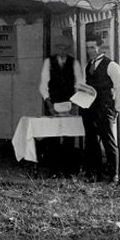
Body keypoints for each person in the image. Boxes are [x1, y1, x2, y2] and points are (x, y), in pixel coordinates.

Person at [81, 34, 120, 183]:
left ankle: (114, 174)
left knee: (109, 142)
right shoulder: (88, 66)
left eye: (92, 47)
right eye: (87, 48)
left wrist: (117, 110)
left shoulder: (111, 65)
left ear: (100, 47)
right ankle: (96, 173)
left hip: (105, 109)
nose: (90, 51)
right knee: (91, 142)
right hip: (90, 109)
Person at [37, 35, 84, 176]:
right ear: (56, 48)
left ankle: (69, 171)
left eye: (65, 48)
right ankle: (54, 170)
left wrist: (76, 104)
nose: (62, 51)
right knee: (53, 137)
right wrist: (49, 103)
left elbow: (79, 84)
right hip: (53, 104)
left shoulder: (74, 63)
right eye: (60, 48)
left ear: (68, 49)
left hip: (69, 104)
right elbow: (43, 85)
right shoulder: (48, 62)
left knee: (69, 138)